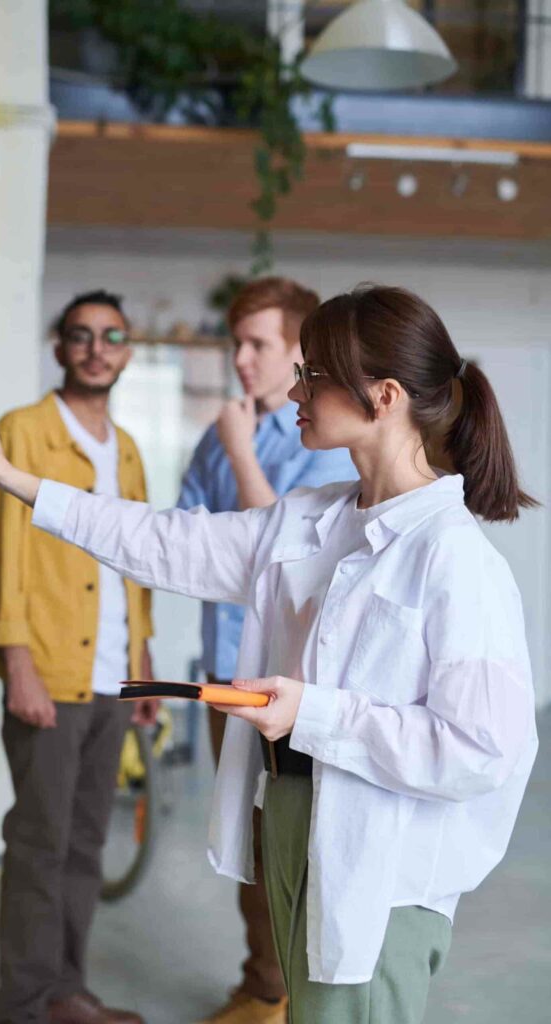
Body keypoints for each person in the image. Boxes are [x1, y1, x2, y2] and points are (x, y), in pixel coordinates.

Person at [0, 284, 538, 1024]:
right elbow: (162, 540)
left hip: (377, 857)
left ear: (382, 396)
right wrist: (13, 477)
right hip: (292, 814)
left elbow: (477, 751)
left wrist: (312, 712)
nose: (293, 388)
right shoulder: (311, 519)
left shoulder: (455, 561)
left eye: (312, 374)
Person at [0, 290, 155, 1024]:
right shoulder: (21, 431)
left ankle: (64, 994)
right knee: (39, 844)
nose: (96, 349)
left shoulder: (130, 448)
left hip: (112, 677)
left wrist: (141, 665)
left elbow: (136, 561)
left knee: (85, 843)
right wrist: (16, 661)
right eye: (81, 336)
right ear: (60, 348)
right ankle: (21, 1004)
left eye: (111, 336)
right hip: (48, 671)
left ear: (127, 350)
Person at [177, 277, 357, 1024]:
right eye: (237, 342)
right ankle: (263, 988)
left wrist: (239, 449)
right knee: (243, 836)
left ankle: (287, 994)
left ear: (297, 352)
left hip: (293, 683)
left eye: (259, 344)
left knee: (296, 839)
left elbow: (278, 556)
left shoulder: (320, 440)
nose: (242, 358)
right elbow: (188, 541)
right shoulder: (220, 430)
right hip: (224, 667)